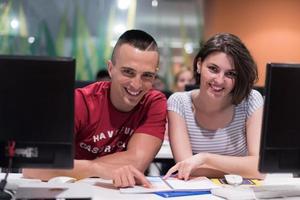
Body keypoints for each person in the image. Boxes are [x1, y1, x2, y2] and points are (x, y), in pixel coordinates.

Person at [23, 29, 167, 188]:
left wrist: (77, 167)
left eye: (147, 75)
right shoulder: (79, 102)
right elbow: (34, 167)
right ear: (111, 69)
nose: (136, 84)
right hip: (73, 192)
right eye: (128, 72)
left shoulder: (154, 102)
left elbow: (137, 162)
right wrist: (95, 168)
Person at [164, 33, 264, 180]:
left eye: (230, 73)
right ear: (199, 65)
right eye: (213, 69)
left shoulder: (250, 99)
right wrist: (243, 169)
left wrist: (205, 158)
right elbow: (185, 168)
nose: (219, 80)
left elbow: (259, 169)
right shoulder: (178, 103)